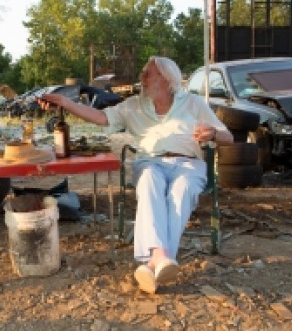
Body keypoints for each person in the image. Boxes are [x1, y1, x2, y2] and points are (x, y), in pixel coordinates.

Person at [38, 56, 233, 294]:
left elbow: (228, 137)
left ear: (166, 78)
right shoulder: (133, 105)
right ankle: (162, 257)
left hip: (188, 164)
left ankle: (152, 263)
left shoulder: (193, 103)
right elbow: (101, 118)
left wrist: (212, 133)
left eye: (147, 73)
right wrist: (63, 102)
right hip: (150, 161)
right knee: (150, 181)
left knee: (181, 191)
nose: (142, 78)